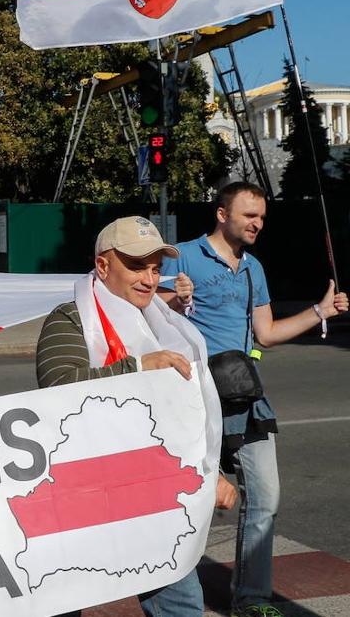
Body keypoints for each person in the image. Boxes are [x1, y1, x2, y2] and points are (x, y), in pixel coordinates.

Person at [158, 182, 348, 617]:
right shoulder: (183, 256)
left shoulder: (253, 268)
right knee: (186, 506)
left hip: (245, 397)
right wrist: (175, 296)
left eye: (261, 217)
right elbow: (144, 310)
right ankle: (168, 591)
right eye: (248, 215)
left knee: (266, 498)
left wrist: (322, 312)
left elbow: (266, 333)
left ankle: (252, 600)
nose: (257, 223)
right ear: (222, 214)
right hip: (193, 401)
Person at [36, 216, 236, 617]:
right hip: (84, 499)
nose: (149, 278)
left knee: (182, 607)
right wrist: (138, 367)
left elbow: (183, 416)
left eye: (156, 267)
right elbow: (59, 387)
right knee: (68, 602)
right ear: (104, 265)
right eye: (136, 265)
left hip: (150, 500)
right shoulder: (71, 318)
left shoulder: (165, 323)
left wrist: (209, 471)